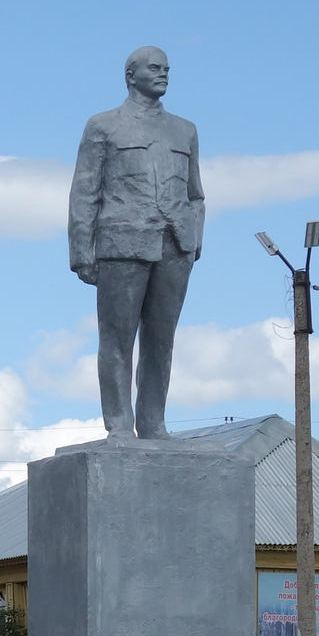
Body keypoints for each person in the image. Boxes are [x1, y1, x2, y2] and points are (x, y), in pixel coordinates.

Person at [69, 46, 204, 440]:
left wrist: (195, 238)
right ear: (131, 75)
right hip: (122, 243)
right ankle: (118, 424)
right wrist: (82, 251)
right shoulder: (103, 126)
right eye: (155, 68)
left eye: (167, 69)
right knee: (117, 339)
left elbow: (196, 193)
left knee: (161, 342)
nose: (164, 74)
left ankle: (153, 423)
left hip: (175, 246)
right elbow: (84, 191)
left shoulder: (186, 130)